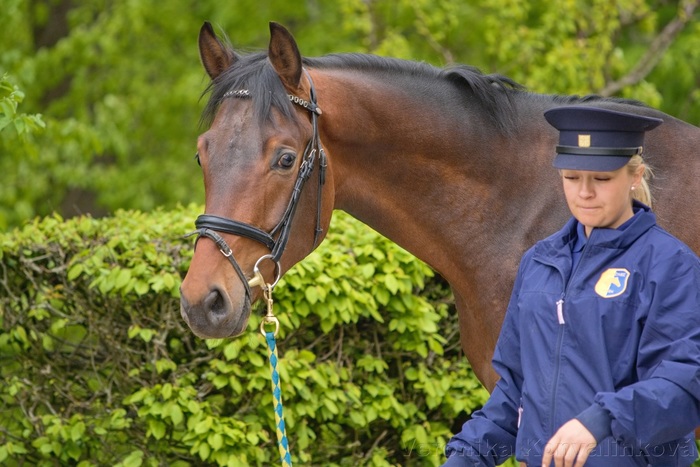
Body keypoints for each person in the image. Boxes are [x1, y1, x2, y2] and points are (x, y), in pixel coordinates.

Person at [441, 106, 700, 467]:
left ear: (635, 176)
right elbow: (515, 390)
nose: (585, 192)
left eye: (602, 179)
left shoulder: (671, 265)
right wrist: (467, 456)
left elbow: (686, 382)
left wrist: (600, 421)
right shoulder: (539, 262)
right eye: (572, 177)